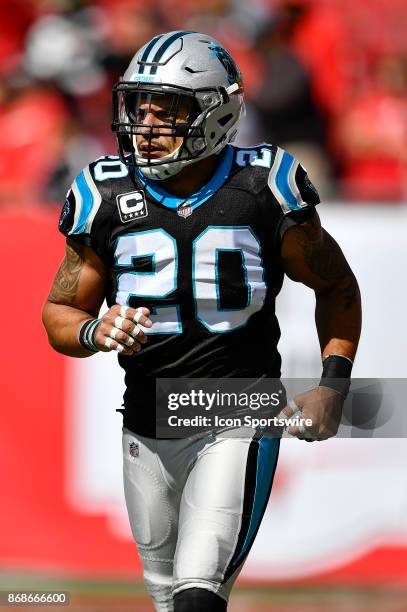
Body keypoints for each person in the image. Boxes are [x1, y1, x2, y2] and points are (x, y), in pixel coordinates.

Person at [42, 31, 361, 612]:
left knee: (198, 598)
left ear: (218, 112)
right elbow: (60, 313)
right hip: (146, 420)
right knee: (170, 602)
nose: (148, 124)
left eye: (169, 110)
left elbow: (335, 283)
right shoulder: (104, 190)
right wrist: (95, 331)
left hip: (240, 412)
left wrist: (333, 383)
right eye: (141, 107)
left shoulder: (263, 185)